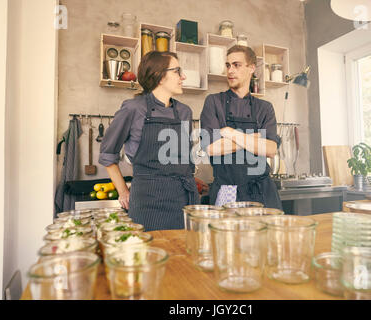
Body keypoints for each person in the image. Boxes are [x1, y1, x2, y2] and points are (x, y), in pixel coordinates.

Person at [99, 51, 200, 231]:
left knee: (182, 254)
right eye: (177, 71)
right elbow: (108, 154)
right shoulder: (133, 108)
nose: (183, 76)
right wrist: (123, 191)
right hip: (147, 201)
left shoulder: (185, 112)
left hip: (183, 200)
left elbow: (185, 157)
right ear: (159, 76)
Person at [200, 45, 282, 209]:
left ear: (251, 68)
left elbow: (271, 149)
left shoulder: (265, 107)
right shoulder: (214, 102)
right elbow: (212, 148)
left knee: (265, 235)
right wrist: (255, 140)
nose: (230, 70)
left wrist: (230, 133)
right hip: (227, 190)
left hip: (262, 191)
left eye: (236, 65)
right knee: (226, 235)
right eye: (228, 65)